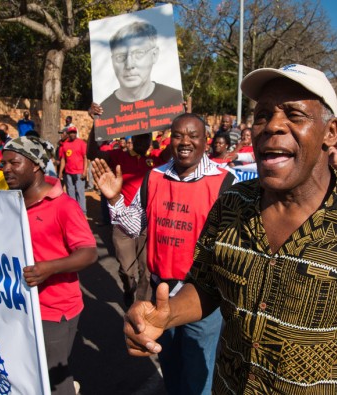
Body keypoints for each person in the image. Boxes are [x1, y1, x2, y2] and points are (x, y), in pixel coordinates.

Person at [123, 64, 337, 394]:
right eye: (262, 114)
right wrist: (167, 313)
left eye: (294, 114)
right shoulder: (231, 204)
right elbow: (208, 285)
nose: (273, 125)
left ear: (331, 132)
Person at [93, 113, 235, 395]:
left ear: (205, 140)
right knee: (170, 365)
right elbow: (135, 227)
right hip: (160, 293)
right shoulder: (154, 177)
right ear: (170, 139)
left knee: (198, 374)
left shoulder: (225, 182)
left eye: (193, 135)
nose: (185, 142)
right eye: (178, 135)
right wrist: (114, 199)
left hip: (201, 298)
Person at [0, 136, 97, 395]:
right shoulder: (10, 203)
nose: (6, 168)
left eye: (14, 162)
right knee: (26, 372)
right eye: (3, 163)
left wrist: (48, 268)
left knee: (54, 379)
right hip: (20, 305)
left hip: (55, 310)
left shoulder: (64, 206)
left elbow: (89, 253)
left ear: (35, 165)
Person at [87, 103, 168, 305]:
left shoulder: (157, 160)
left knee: (147, 271)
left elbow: (177, 147)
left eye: (146, 137)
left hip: (148, 223)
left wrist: (177, 115)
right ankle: (127, 287)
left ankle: (140, 306)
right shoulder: (119, 157)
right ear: (132, 139)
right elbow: (92, 153)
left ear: (150, 140)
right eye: (139, 137)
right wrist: (95, 123)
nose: (143, 140)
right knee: (126, 270)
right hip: (123, 223)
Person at [58, 126, 89, 214]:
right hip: (68, 172)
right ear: (68, 134)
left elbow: (85, 157)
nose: (72, 134)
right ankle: (73, 211)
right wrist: (60, 172)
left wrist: (85, 171)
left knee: (80, 192)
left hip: (79, 172)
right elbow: (63, 159)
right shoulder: (65, 144)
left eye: (74, 132)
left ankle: (83, 212)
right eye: (71, 133)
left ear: (76, 133)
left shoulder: (81, 143)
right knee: (70, 192)